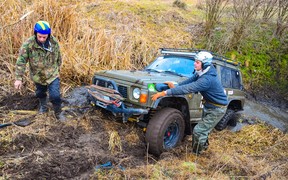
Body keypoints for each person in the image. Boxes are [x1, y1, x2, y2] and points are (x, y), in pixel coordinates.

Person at [151, 51, 228, 155]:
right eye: (195, 62)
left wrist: (164, 93)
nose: (194, 64)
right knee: (204, 130)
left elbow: (188, 88)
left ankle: (197, 154)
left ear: (204, 64)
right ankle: (203, 147)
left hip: (217, 109)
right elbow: (188, 82)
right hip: (209, 105)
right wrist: (176, 85)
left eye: (197, 62)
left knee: (198, 131)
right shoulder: (203, 72)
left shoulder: (207, 79)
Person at [14, 20, 63, 120]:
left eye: (44, 37)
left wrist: (57, 70)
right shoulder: (28, 44)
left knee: (55, 96)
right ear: (35, 33)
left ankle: (58, 112)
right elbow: (21, 61)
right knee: (40, 93)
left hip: (52, 75)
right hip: (38, 76)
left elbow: (59, 57)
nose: (41, 39)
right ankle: (43, 107)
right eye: (39, 36)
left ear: (48, 35)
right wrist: (18, 78)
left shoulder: (54, 43)